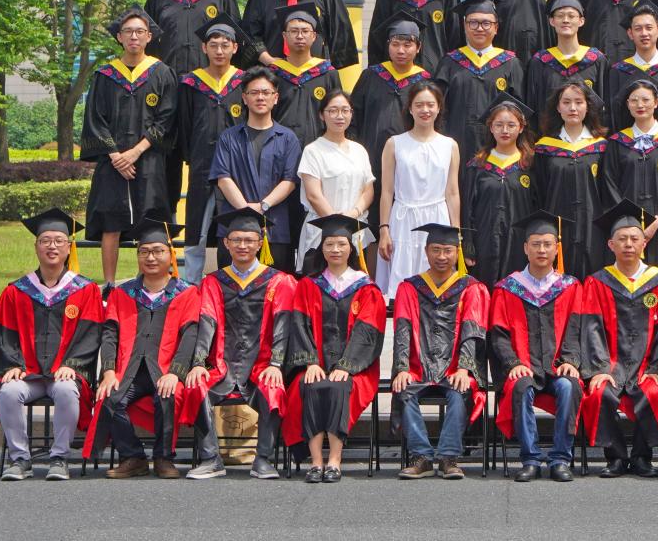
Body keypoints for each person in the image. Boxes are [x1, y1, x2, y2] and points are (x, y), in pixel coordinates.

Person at [0, 209, 104, 482]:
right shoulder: (16, 291)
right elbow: (5, 334)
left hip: (64, 374)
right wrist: (12, 365)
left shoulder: (85, 291)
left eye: (59, 241)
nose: (52, 246)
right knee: (9, 391)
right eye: (45, 240)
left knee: (66, 390)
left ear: (69, 247)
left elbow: (91, 334)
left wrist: (72, 365)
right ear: (36, 247)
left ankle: (59, 458)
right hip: (30, 374)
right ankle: (20, 459)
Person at [92, 216, 209, 478]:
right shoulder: (123, 294)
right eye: (143, 252)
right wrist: (108, 372)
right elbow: (109, 335)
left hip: (165, 370)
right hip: (129, 371)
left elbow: (190, 336)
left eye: (157, 251)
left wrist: (176, 373)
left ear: (170, 254)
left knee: (168, 396)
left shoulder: (186, 293)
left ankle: (163, 457)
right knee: (108, 398)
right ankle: (133, 457)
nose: (151, 257)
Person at [571, 201, 658, 478]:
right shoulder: (597, 283)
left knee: (653, 392)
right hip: (611, 364)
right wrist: (599, 369)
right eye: (622, 239)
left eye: (634, 238)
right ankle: (616, 457)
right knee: (599, 393)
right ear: (611, 245)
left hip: (647, 365)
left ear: (644, 243)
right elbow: (591, 329)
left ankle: (642, 457)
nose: (628, 244)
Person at [280, 214, 387, 484]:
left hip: (354, 369)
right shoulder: (309, 285)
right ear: (322, 248)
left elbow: (367, 331)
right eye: (329, 244)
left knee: (338, 386)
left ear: (351, 248)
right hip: (315, 363)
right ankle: (316, 462)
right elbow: (299, 325)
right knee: (310, 385)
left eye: (341, 244)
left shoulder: (366, 287)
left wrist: (346, 366)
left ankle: (335, 461)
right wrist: (310, 362)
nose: (335, 249)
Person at [189, 207, 294, 479]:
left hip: (261, 364)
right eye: (236, 239)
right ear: (226, 243)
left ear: (260, 243)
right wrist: (199, 363)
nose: (242, 245)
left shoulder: (279, 282)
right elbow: (207, 322)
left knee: (273, 388)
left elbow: (283, 325)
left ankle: (263, 459)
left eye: (249, 240)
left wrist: (276, 364)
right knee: (195, 385)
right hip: (222, 365)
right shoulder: (214, 281)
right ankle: (211, 458)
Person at [489, 210, 588, 482]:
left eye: (547, 244)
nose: (541, 250)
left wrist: (570, 361)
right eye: (535, 244)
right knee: (521, 386)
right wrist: (512, 363)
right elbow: (498, 334)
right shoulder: (508, 288)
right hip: (523, 366)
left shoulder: (570, 287)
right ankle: (530, 459)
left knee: (569, 386)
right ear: (525, 248)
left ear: (557, 248)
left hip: (557, 366)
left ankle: (560, 459)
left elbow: (576, 329)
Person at [82, 8, 178, 284]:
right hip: (111, 162)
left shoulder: (162, 73)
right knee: (110, 223)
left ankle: (149, 284)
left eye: (139, 32)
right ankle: (110, 285)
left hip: (148, 161)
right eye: (128, 32)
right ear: (119, 37)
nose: (134, 37)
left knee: (150, 224)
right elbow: (95, 119)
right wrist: (115, 155)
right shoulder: (105, 75)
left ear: (149, 36)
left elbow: (166, 119)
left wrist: (135, 152)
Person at [391, 223, 489, 480]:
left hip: (455, 366)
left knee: (461, 390)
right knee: (403, 389)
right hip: (418, 367)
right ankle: (421, 457)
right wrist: (402, 368)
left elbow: (472, 330)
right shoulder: (410, 287)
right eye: (435, 250)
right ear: (426, 251)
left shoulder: (471, 288)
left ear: (457, 252)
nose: (441, 256)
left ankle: (448, 457)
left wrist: (464, 368)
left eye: (447, 250)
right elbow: (402, 329)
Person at [209, 68, 303, 271]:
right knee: (231, 285)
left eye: (266, 92)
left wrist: (263, 206)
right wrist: (246, 209)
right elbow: (223, 178)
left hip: (274, 229)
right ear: (244, 98)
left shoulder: (288, 138)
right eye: (254, 92)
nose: (260, 97)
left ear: (275, 98)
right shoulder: (228, 137)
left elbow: (289, 181)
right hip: (234, 229)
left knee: (276, 286)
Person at [173, 22, 245, 282]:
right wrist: (193, 157)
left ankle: (233, 282)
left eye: (225, 45)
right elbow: (184, 126)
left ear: (235, 48)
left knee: (235, 226)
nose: (219, 51)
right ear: (204, 48)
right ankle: (192, 284)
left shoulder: (244, 82)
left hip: (237, 170)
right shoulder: (191, 83)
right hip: (202, 166)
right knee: (196, 228)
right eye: (213, 45)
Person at [375, 81, 461, 290]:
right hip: (403, 218)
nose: (425, 110)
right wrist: (384, 229)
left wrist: (456, 233)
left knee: (436, 280)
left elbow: (452, 192)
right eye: (419, 105)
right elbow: (387, 191)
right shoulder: (394, 143)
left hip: (437, 218)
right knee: (400, 282)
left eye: (431, 105)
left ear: (439, 108)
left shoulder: (449, 145)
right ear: (410, 108)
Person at [602, 79, 658, 271]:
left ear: (656, 102)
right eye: (634, 100)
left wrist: (657, 221)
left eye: (646, 100)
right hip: (625, 230)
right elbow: (609, 183)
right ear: (627, 104)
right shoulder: (617, 142)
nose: (640, 105)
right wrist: (629, 225)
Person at [532, 82, 611, 275]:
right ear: (558, 108)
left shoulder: (602, 147)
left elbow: (607, 191)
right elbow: (539, 192)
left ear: (588, 107)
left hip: (594, 225)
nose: (572, 108)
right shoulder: (544, 148)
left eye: (578, 102)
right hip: (558, 225)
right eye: (566, 102)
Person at [296, 90, 376, 276]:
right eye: (333, 110)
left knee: (354, 286)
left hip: (355, 230)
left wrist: (352, 216)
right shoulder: (313, 150)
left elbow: (368, 190)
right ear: (322, 115)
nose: (340, 116)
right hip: (322, 232)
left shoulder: (359, 150)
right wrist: (337, 227)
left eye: (345, 110)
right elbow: (313, 195)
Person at [438, 0, 525, 157]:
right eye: (473, 22)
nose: (479, 28)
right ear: (464, 26)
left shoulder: (510, 63)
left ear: (496, 28)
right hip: (456, 146)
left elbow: (519, 111)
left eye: (486, 23)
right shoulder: (449, 63)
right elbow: (440, 110)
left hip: (499, 150)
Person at [348, 19, 430, 179]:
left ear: (418, 47)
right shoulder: (371, 76)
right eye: (395, 44)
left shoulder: (425, 81)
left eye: (407, 45)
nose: (401, 50)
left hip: (411, 159)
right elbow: (353, 114)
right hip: (370, 156)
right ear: (388, 46)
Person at [466, 97, 535, 285]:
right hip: (484, 240)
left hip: (519, 242)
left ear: (521, 128)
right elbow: (467, 208)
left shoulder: (530, 165)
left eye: (511, 125)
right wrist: (468, 243)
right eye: (499, 125)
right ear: (490, 127)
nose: (505, 130)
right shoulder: (478, 165)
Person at [523, 0, 608, 136]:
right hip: (549, 140)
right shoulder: (540, 62)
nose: (566, 20)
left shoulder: (596, 60)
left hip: (589, 141)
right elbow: (533, 106)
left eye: (571, 16)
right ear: (552, 21)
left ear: (581, 21)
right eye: (560, 16)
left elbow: (605, 107)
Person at [603, 2, 658, 136]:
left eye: (649, 28)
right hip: (627, 146)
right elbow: (612, 116)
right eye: (638, 29)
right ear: (630, 33)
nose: (644, 33)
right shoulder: (619, 71)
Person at [267, 9, 340, 144]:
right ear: (284, 36)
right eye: (294, 31)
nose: (300, 36)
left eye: (305, 31)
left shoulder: (328, 73)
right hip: (278, 146)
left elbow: (337, 111)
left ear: (314, 36)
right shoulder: (273, 73)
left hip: (319, 146)